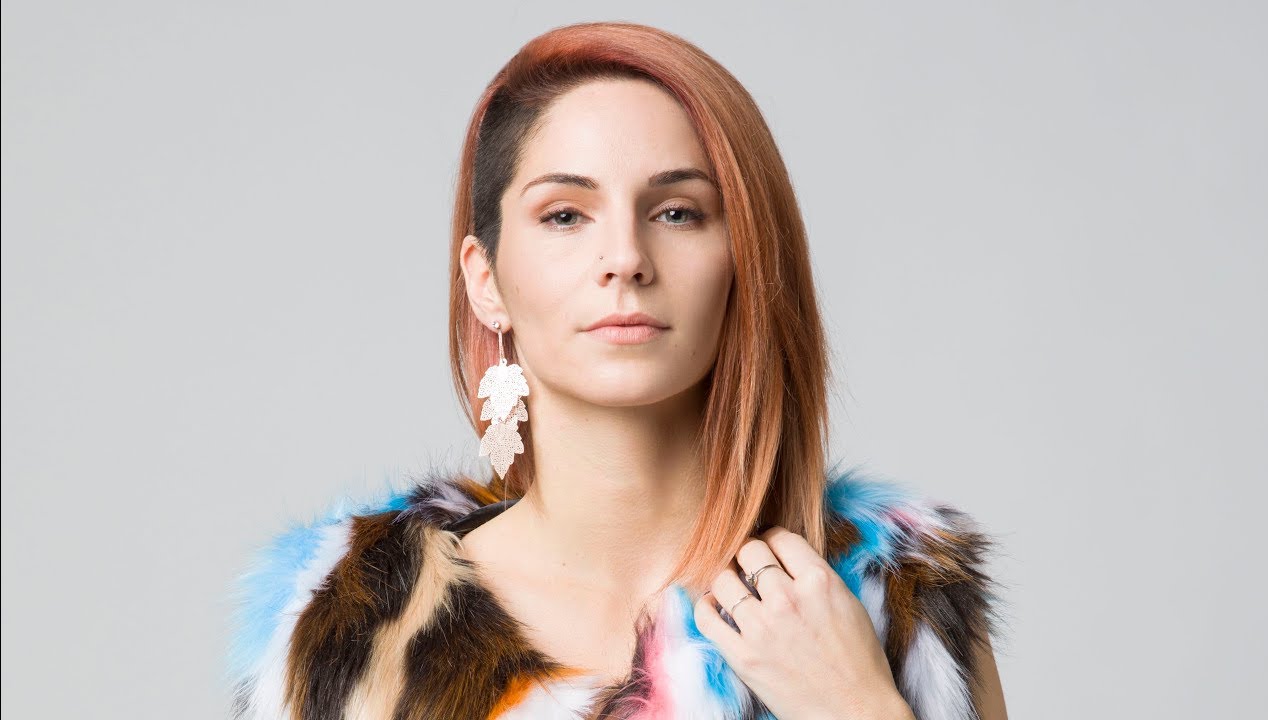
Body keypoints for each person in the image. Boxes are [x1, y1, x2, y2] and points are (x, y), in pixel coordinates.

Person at [226, 21, 1008, 720]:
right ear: (486, 280)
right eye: (566, 215)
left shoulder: (897, 596)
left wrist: (857, 708)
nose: (626, 258)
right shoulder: (350, 632)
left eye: (677, 212)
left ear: (744, 259)